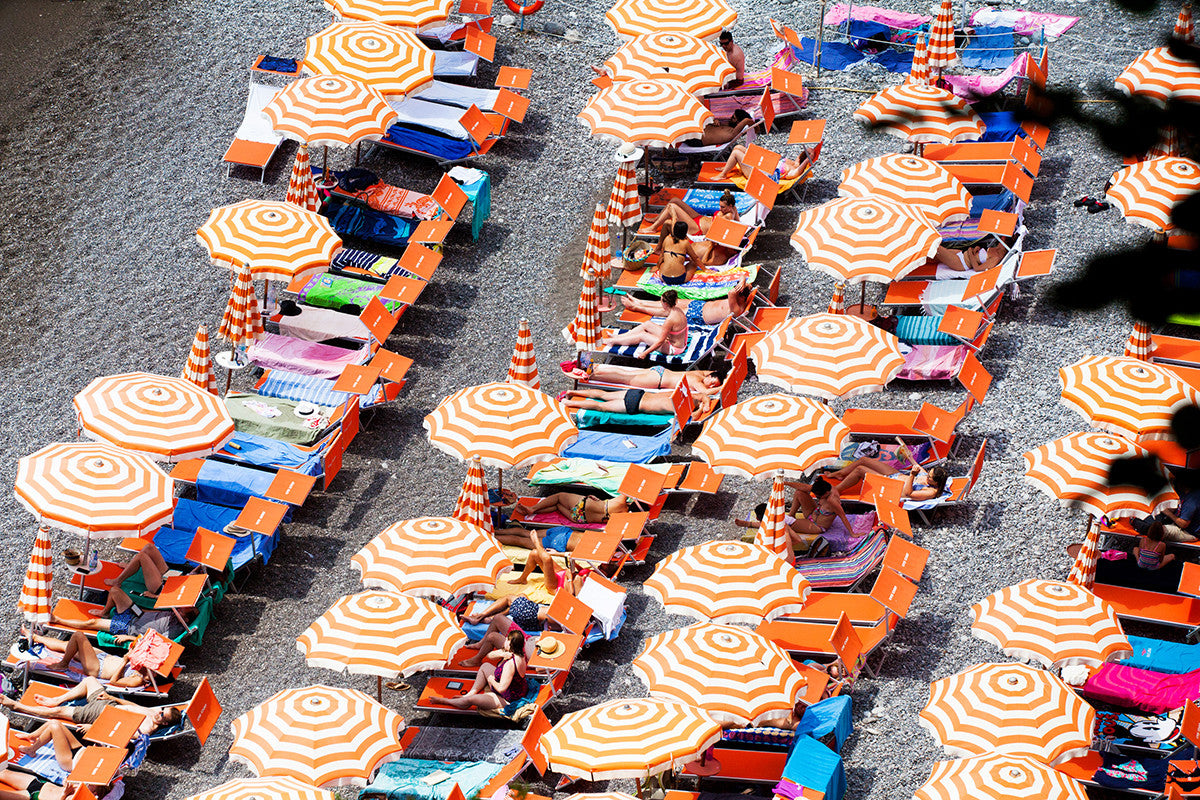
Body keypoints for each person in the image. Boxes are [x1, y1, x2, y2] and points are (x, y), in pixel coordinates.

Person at [0, 676, 182, 732]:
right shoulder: (154, 713)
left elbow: (121, 732)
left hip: (99, 715)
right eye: (162, 709)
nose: (159, 711)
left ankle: (16, 706)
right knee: (90, 680)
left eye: (162, 714)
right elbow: (133, 707)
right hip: (109, 702)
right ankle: (58, 697)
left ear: (164, 723)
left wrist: (94, 728)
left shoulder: (147, 728)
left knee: (58, 712)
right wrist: (115, 698)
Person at [431, 630, 529, 711]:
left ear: (510, 643)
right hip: (514, 688)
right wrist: (501, 654)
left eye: (507, 639)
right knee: (485, 665)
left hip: (507, 698)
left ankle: (446, 701)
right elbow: (489, 656)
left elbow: (501, 688)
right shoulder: (517, 654)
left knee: (471, 700)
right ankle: (471, 692)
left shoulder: (510, 665)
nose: (505, 640)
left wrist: (491, 679)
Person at [20, 628, 149, 688]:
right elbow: (144, 640)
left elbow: (115, 682)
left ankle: (64, 663)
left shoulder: (138, 679)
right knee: (68, 646)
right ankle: (35, 638)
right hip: (104, 657)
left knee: (78, 636)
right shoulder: (145, 665)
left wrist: (125, 661)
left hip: (98, 669)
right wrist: (130, 639)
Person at [53, 585, 190, 641]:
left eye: (182, 610)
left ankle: (58, 620)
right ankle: (105, 612)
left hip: (129, 627)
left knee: (92, 623)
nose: (180, 608)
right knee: (114, 591)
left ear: (186, 619)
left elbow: (156, 641)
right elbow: (155, 612)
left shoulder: (174, 630)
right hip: (136, 614)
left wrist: (129, 638)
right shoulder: (173, 612)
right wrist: (139, 608)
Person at [622, 278, 752, 326]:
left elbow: (731, 292)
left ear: (740, 295)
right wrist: (743, 282)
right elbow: (746, 281)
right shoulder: (741, 298)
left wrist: (741, 284)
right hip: (701, 305)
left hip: (699, 316)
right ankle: (640, 301)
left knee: (667, 310)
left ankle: (636, 307)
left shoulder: (736, 308)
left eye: (738, 290)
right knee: (674, 301)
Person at [601, 291, 688, 356]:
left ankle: (612, 341)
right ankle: (618, 337)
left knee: (642, 336)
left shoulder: (670, 320)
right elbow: (659, 313)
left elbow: (660, 341)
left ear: (665, 303)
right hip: (676, 341)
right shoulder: (677, 310)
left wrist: (645, 353)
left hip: (674, 348)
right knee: (647, 324)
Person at [824, 458, 950, 502]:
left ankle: (836, 490)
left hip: (891, 486)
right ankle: (840, 474)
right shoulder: (927, 478)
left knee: (860, 470)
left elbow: (908, 494)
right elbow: (915, 463)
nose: (927, 476)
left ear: (936, 482)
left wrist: (912, 475)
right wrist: (906, 454)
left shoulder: (931, 491)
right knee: (863, 460)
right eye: (928, 473)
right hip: (895, 475)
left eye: (930, 477)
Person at [564, 360, 729, 394]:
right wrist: (724, 386)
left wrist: (718, 381)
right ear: (709, 376)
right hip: (656, 381)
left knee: (624, 373)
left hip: (658, 371)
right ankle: (590, 374)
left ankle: (592, 367)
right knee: (624, 379)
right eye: (713, 382)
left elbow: (709, 381)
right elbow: (705, 392)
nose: (711, 386)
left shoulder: (699, 373)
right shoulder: (698, 381)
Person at [781, 477, 854, 537]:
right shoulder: (824, 487)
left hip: (817, 526)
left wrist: (852, 534)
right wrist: (785, 483)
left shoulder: (832, 501)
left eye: (819, 497)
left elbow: (843, 516)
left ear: (826, 493)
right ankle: (791, 514)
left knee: (787, 523)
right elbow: (804, 487)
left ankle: (791, 519)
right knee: (799, 493)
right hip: (812, 513)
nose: (817, 498)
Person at [648, 191, 739, 237]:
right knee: (675, 200)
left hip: (696, 228)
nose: (720, 209)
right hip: (699, 218)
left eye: (723, 207)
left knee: (672, 207)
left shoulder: (728, 217)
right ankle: (657, 219)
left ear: (730, 205)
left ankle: (653, 228)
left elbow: (724, 232)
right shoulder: (733, 208)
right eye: (720, 206)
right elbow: (739, 222)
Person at [517, 492, 638, 525]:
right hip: (579, 518)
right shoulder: (623, 517)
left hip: (584, 505)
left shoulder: (622, 501)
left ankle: (533, 509)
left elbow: (630, 487)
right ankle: (533, 511)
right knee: (557, 507)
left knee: (559, 497)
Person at [714, 143, 810, 182]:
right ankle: (727, 167)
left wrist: (806, 160)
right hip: (761, 163)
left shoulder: (793, 171)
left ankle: (723, 174)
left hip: (757, 173)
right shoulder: (792, 162)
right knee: (738, 147)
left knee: (736, 153)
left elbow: (797, 171)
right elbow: (799, 159)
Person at [563, 386, 685, 416]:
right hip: (636, 404)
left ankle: (571, 392)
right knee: (601, 406)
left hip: (639, 393)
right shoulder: (683, 406)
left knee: (605, 395)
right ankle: (569, 403)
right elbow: (691, 417)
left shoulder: (683, 393)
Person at [654, 221, 703, 285]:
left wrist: (657, 267)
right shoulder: (685, 243)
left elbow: (662, 257)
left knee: (663, 262)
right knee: (693, 263)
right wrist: (705, 269)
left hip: (665, 278)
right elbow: (695, 258)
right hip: (680, 279)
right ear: (685, 232)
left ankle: (663, 270)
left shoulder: (667, 239)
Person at [681, 110, 754, 147]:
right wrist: (714, 121)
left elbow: (747, 120)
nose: (730, 118)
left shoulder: (732, 133)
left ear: (739, 122)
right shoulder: (728, 127)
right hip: (697, 131)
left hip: (696, 139)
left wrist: (756, 128)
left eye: (733, 118)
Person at [934, 243, 1003, 273]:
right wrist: (977, 248)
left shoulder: (995, 258)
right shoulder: (997, 247)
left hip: (961, 262)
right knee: (932, 257)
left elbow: (977, 268)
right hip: (961, 253)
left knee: (935, 247)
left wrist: (970, 252)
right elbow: (981, 253)